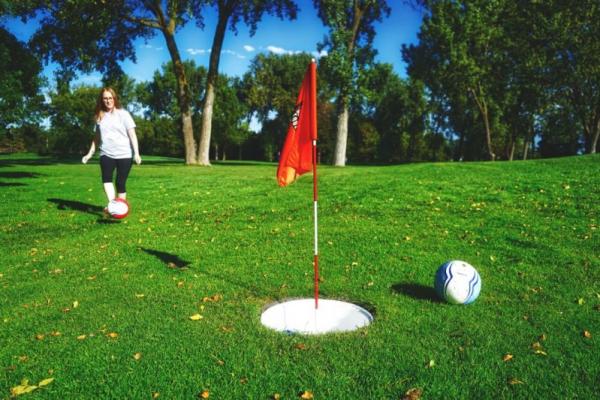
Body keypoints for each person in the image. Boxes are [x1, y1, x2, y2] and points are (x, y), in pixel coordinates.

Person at [82, 87, 141, 210]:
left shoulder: (124, 114)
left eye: (110, 98)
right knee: (106, 179)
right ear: (101, 100)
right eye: (105, 98)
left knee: (120, 183)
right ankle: (113, 206)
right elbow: (96, 139)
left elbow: (132, 135)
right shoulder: (99, 116)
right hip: (106, 153)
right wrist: (89, 154)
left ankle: (120, 208)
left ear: (114, 98)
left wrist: (136, 153)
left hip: (124, 154)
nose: (108, 101)